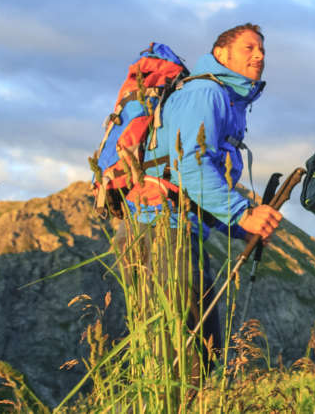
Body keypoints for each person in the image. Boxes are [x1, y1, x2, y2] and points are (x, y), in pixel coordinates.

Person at [118, 23, 282, 381]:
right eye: (249, 48)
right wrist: (243, 212)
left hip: (174, 229)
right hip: (161, 231)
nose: (259, 56)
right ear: (221, 54)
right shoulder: (206, 92)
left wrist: (242, 227)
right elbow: (190, 167)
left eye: (262, 51)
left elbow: (189, 185)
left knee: (195, 355)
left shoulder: (223, 98)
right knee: (182, 361)